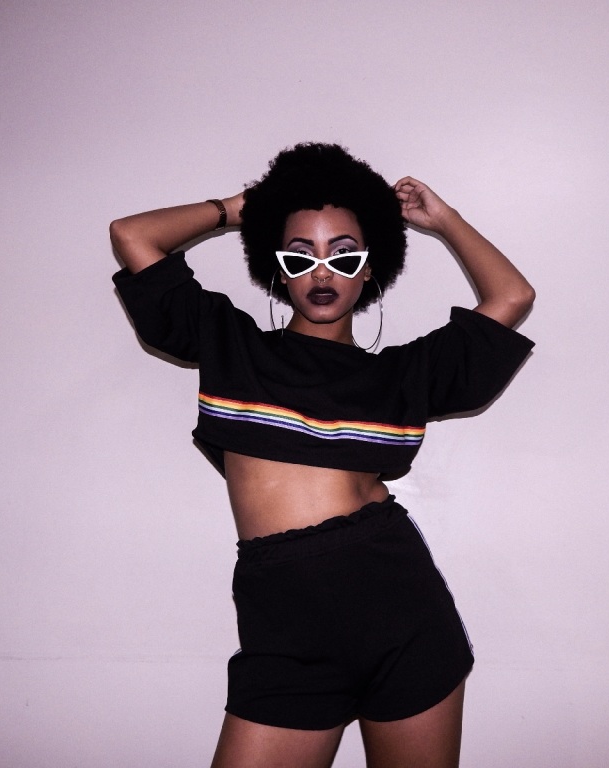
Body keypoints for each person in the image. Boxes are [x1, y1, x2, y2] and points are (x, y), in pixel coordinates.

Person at [109, 143, 535, 768]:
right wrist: (240, 208)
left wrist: (444, 220)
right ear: (277, 270)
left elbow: (512, 296)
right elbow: (132, 236)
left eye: (344, 255)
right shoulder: (232, 345)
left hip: (402, 618)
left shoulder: (399, 376)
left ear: (370, 270)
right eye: (299, 256)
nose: (322, 273)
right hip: (282, 627)